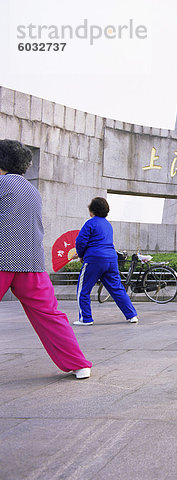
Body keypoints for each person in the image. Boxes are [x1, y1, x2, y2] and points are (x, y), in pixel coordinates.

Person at [0, 139, 92, 379]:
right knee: (50, 316)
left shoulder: (1, 184)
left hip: (2, 260)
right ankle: (79, 364)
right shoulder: (32, 190)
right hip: (31, 264)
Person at [73, 197, 139, 326]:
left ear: (92, 211)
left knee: (83, 290)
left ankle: (85, 319)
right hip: (111, 259)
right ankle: (132, 315)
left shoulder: (90, 223)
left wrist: (80, 255)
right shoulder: (108, 224)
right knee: (117, 288)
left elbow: (80, 241)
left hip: (94, 259)